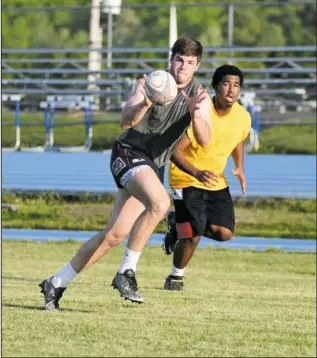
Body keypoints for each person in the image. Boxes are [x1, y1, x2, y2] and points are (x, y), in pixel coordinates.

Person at [39, 36, 212, 309]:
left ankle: (56, 283)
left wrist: (196, 114)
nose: (183, 67)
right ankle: (126, 272)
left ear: (197, 64)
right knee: (160, 202)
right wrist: (144, 103)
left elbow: (204, 139)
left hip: (152, 165)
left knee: (114, 236)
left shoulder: (199, 96)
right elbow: (125, 120)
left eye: (190, 63)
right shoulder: (151, 82)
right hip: (128, 153)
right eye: (179, 60)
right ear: (171, 59)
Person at [162, 64, 251, 291]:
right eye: (226, 84)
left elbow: (237, 139)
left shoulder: (242, 116)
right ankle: (175, 278)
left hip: (214, 179)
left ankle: (176, 224)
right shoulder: (201, 112)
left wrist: (239, 166)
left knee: (225, 233)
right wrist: (196, 172)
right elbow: (175, 151)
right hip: (186, 176)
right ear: (216, 87)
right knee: (193, 232)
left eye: (236, 85)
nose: (231, 90)